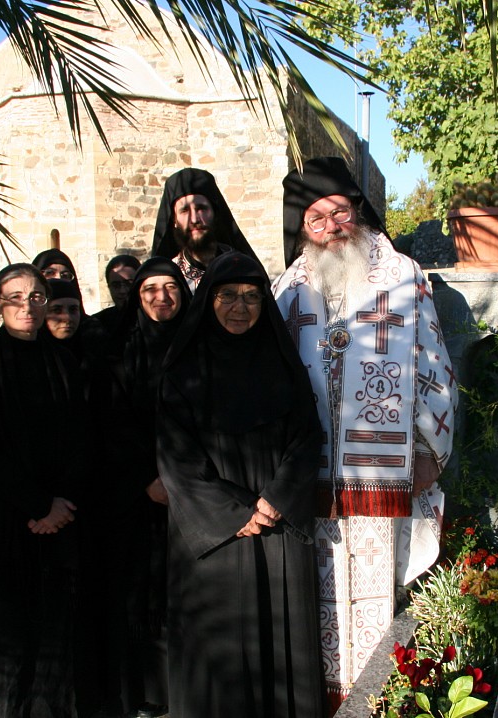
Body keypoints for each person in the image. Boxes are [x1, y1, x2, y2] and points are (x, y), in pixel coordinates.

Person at [273, 157, 458, 710]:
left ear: (359, 212)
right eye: (316, 219)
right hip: (311, 475)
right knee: (318, 600)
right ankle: (325, 703)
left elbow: (434, 364)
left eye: (340, 212)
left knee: (380, 594)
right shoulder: (287, 287)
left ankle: (379, 700)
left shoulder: (401, 273)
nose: (331, 226)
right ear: (302, 230)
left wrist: (429, 452)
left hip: (382, 470)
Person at [156, 251, 325, 717]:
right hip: (214, 537)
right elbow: (176, 458)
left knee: (282, 643)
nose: (240, 306)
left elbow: (308, 436)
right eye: (227, 295)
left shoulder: (283, 364)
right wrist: (237, 512)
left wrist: (276, 497)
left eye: (252, 297)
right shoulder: (182, 372)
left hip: (276, 527)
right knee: (219, 649)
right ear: (208, 300)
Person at [0, 263, 89, 718]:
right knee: (6, 641)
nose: (27, 305)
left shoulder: (63, 361)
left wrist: (61, 504)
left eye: (35, 296)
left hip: (61, 519)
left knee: (53, 636)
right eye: (15, 296)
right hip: (4, 522)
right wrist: (36, 504)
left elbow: (82, 437)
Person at [78, 257, 192, 718]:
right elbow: (109, 423)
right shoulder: (117, 351)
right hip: (135, 495)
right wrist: (147, 478)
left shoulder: (198, 343)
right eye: (151, 289)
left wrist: (181, 476)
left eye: (171, 288)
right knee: (138, 593)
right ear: (137, 296)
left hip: (190, 491)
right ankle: (145, 690)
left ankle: (186, 686)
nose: (162, 298)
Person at [150, 167, 256, 292]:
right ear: (174, 220)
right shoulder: (166, 278)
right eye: (184, 211)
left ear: (215, 213)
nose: (194, 219)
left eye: (201, 209)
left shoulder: (244, 268)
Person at [91, 254, 141, 336]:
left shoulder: (155, 319)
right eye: (116, 285)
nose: (122, 291)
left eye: (129, 283)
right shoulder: (97, 323)